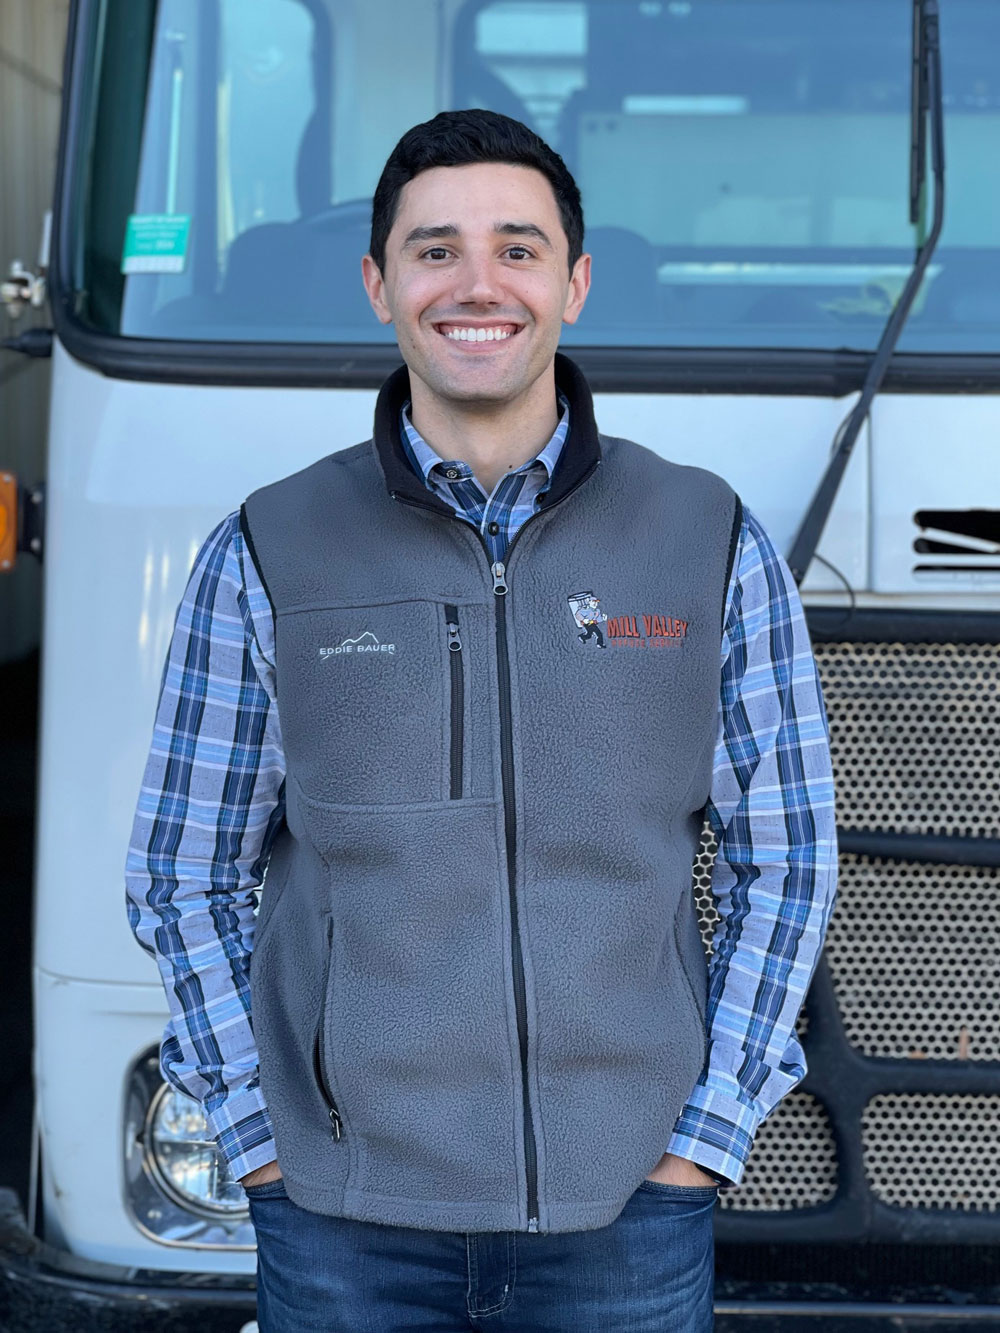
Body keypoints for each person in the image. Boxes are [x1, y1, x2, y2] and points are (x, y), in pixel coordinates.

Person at [126, 109, 838, 1332]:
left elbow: (788, 857)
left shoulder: (708, 538)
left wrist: (702, 1144)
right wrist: (261, 1145)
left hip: (627, 1220)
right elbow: (182, 874)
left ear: (575, 281)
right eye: (433, 248)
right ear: (378, 283)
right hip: (345, 1225)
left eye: (517, 247)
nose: (476, 284)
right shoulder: (267, 549)